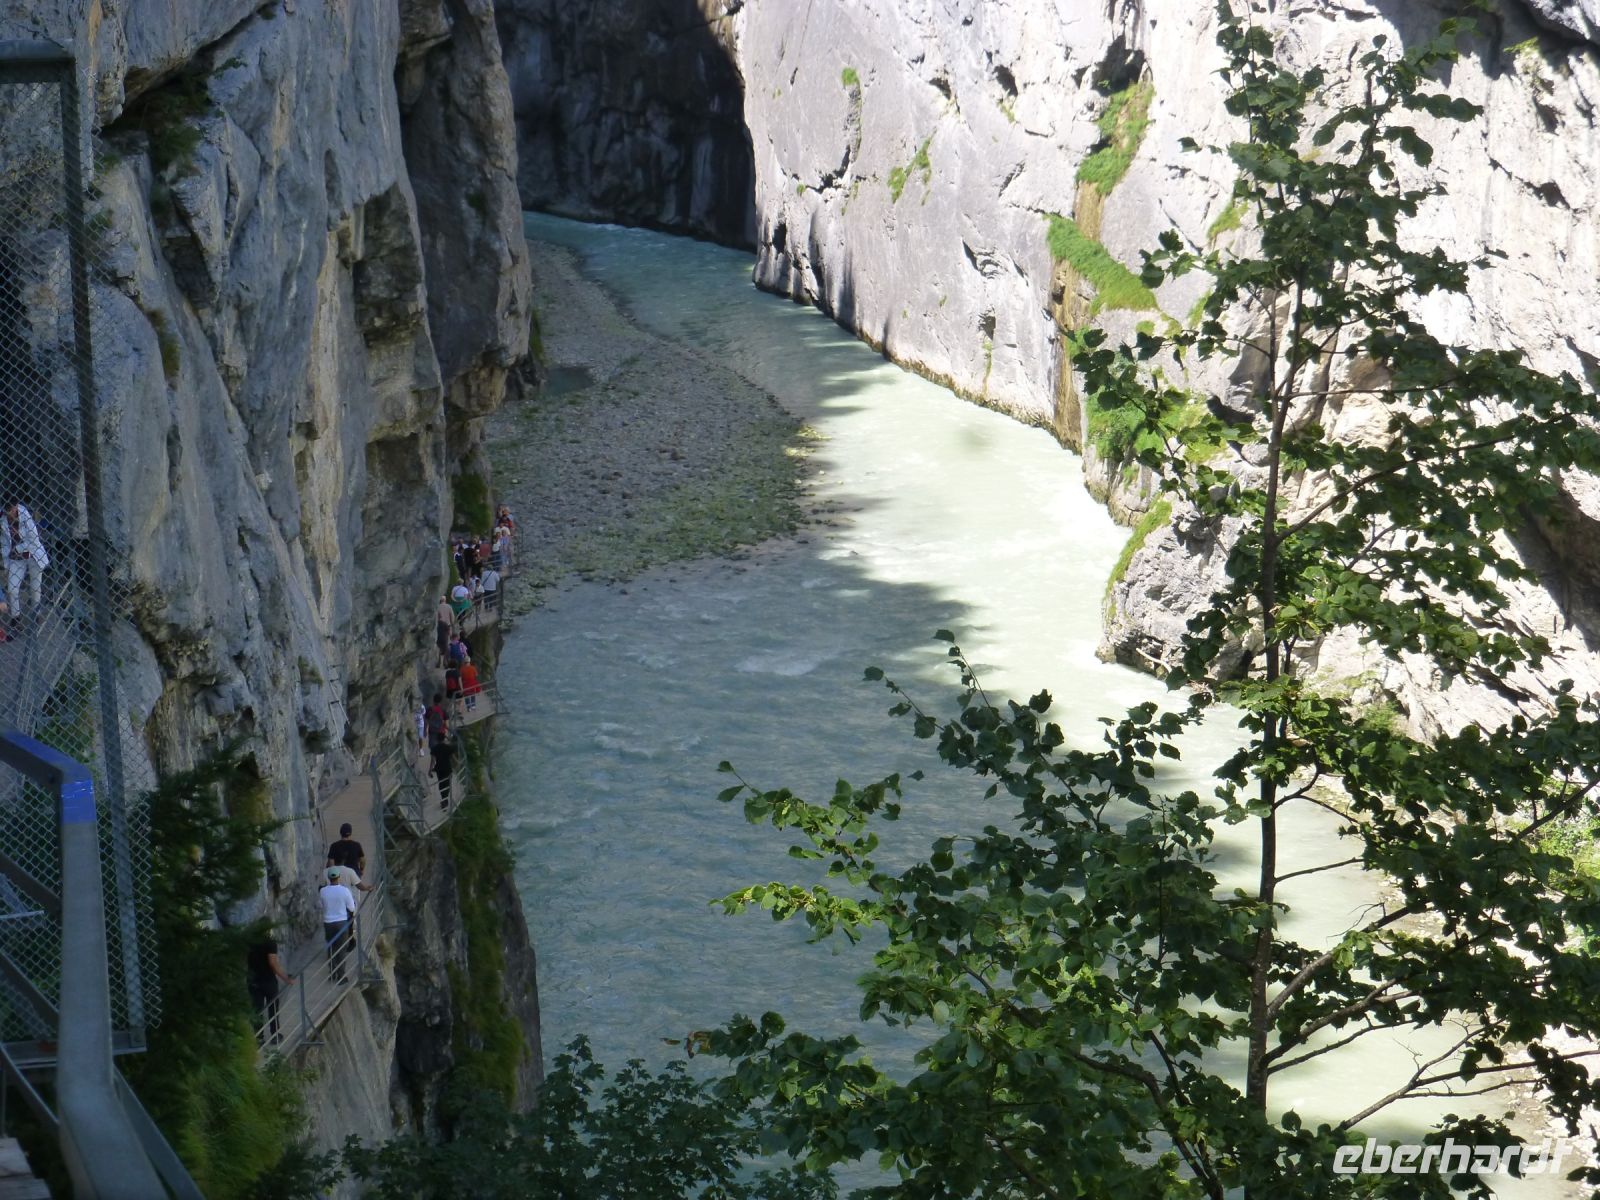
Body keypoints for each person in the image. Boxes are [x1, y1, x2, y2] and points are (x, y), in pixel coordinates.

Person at [1, 500, 48, 625]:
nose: (10, 513)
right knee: (12, 588)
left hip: (33, 554)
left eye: (12, 509)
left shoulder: (24, 514)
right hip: (16, 558)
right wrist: (6, 565)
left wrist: (18, 548)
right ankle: (16, 618)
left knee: (35, 586)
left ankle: (37, 613)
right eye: (7, 510)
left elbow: (34, 539)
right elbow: (4, 543)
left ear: (16, 506)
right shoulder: (3, 518)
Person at [247, 935, 293, 1044]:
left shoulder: (250, 941)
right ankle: (275, 1035)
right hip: (268, 981)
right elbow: (273, 963)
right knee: (273, 1008)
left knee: (257, 1009)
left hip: (253, 981)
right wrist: (286, 978)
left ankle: (259, 1037)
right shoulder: (270, 942)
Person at [320, 868, 356, 983]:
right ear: (338, 877)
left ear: (329, 878)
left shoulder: (323, 891)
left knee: (331, 947)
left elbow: (320, 905)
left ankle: (332, 973)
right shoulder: (345, 891)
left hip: (328, 923)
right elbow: (351, 907)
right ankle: (341, 976)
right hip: (341, 923)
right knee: (341, 948)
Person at [430, 736, 456, 811]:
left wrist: (430, 770)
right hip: (447, 768)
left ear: (437, 739)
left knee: (441, 784)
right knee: (447, 784)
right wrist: (457, 764)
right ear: (444, 739)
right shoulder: (448, 748)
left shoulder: (434, 748)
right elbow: (453, 758)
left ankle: (444, 800)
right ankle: (445, 800)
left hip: (439, 769)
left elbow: (432, 760)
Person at [436, 596, 452, 667]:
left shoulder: (437, 607)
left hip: (438, 635)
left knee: (438, 649)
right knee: (446, 649)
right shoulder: (449, 606)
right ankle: (445, 662)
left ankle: (438, 662)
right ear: (445, 600)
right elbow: (452, 616)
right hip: (445, 634)